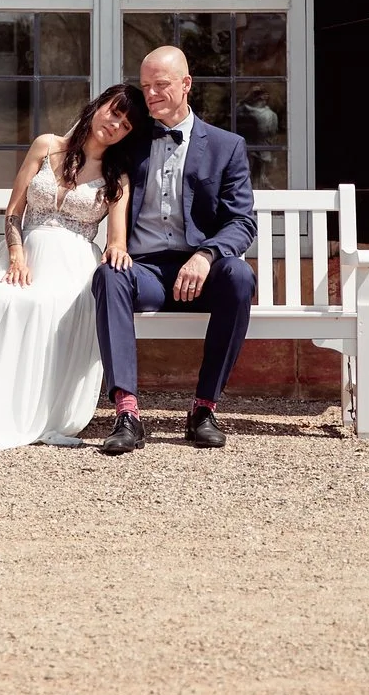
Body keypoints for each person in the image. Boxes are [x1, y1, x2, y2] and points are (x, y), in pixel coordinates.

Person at [0, 84, 155, 449]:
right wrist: (16, 255)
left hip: (73, 265)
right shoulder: (46, 146)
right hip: (26, 254)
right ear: (99, 106)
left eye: (126, 125)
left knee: (43, 306)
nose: (115, 125)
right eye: (114, 113)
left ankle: (34, 414)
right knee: (5, 301)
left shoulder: (118, 176)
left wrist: (117, 250)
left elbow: (117, 238)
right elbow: (14, 211)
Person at [91, 46, 257, 454]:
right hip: (144, 271)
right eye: (145, 86)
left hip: (200, 274)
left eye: (161, 84)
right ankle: (127, 413)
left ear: (186, 84)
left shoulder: (226, 146)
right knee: (109, 275)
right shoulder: (130, 141)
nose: (150, 94)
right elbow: (84, 152)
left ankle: (204, 409)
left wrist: (206, 255)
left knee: (240, 276)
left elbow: (241, 221)